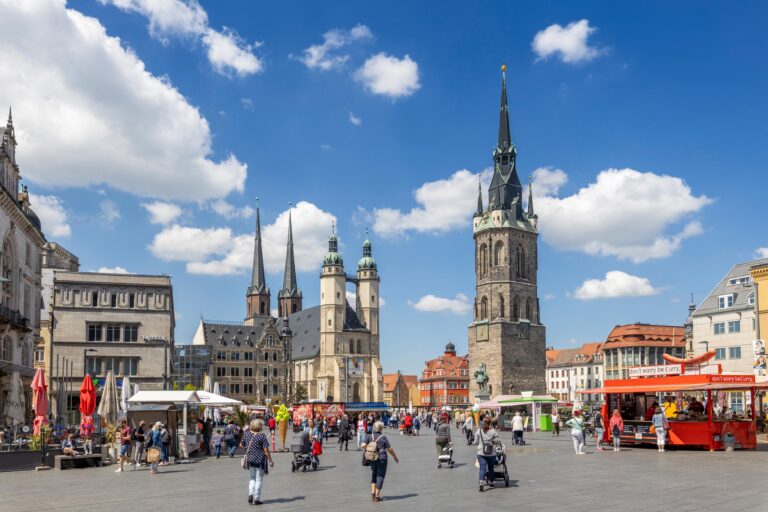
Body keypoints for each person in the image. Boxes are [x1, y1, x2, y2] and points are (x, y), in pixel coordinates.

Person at [362, 421, 399, 502]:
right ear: (381, 428)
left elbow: (363, 445)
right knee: (380, 476)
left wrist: (370, 448)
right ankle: (377, 496)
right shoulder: (383, 437)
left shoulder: (369, 436)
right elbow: (389, 449)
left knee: (374, 474)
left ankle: (372, 492)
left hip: (372, 458)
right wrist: (395, 457)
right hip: (382, 458)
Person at [242, 419, 274, 505]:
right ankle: (256, 498)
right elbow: (266, 449)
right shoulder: (261, 436)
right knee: (259, 479)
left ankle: (250, 494)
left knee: (252, 478)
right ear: (260, 426)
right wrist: (270, 460)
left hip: (250, 460)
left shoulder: (247, 434)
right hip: (260, 460)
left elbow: (241, 445)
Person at [475, 417, 498, 492]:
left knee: (482, 468)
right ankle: (491, 482)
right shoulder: (493, 431)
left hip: (481, 452)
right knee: (491, 468)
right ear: (490, 423)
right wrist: (491, 442)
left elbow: (475, 441)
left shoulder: (479, 431)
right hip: (491, 453)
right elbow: (497, 441)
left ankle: (481, 482)